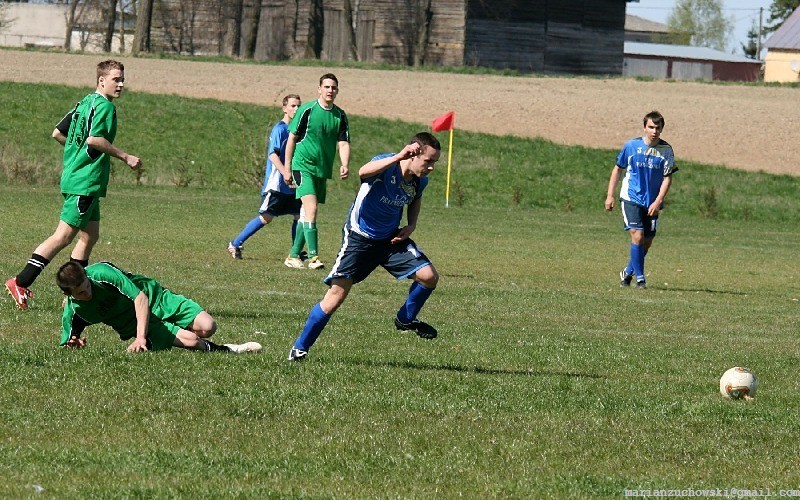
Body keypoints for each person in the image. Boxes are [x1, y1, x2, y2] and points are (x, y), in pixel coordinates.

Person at [287, 132, 441, 361]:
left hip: (390, 240)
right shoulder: (386, 164)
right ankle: (299, 349)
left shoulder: (420, 180)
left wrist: (411, 224)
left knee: (429, 277)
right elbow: (363, 172)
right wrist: (398, 157)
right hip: (359, 239)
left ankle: (405, 319)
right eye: (428, 161)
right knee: (336, 297)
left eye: (434, 163)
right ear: (413, 153)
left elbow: (416, 198)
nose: (431, 168)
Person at [5, 59, 142, 311]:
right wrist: (126, 157)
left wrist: (75, 152)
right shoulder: (104, 107)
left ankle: (72, 292)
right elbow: (94, 139)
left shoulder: (84, 103)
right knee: (63, 236)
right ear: (102, 80)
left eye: (123, 79)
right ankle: (21, 282)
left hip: (79, 179)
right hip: (84, 182)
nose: (121, 84)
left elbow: (58, 133)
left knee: (90, 236)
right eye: (116, 79)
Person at [57, 261, 262, 354]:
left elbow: (140, 298)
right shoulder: (74, 311)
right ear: (67, 294)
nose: (88, 293)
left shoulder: (102, 273)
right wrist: (74, 344)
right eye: (81, 293)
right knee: (192, 341)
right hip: (131, 321)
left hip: (154, 298)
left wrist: (140, 338)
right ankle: (228, 350)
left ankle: (159, 338)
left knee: (208, 326)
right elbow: (67, 343)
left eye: (87, 286)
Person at [283, 73, 351, 270]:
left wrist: (344, 163)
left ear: (337, 91)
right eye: (327, 87)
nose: (330, 90)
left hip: (322, 170)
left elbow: (343, 142)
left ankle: (293, 256)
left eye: (333, 87)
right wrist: (287, 168)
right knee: (311, 209)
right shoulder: (307, 110)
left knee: (306, 213)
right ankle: (313, 257)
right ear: (319, 89)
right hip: (302, 165)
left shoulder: (340, 115)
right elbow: (292, 138)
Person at [227, 94, 307, 261]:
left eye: (299, 106)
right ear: (284, 108)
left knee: (299, 215)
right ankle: (235, 243)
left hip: (292, 183)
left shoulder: (298, 130)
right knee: (266, 217)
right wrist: (285, 172)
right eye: (293, 106)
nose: (296, 109)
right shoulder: (280, 129)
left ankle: (296, 253)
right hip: (278, 183)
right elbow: (273, 155)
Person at [605, 110, 677, 289]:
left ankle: (628, 271)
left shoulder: (666, 150)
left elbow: (667, 178)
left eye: (657, 128)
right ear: (644, 127)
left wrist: (658, 201)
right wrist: (610, 195)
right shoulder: (631, 146)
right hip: (631, 197)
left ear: (662, 129)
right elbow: (618, 169)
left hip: (652, 201)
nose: (654, 131)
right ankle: (640, 279)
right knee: (637, 235)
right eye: (651, 127)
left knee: (647, 242)